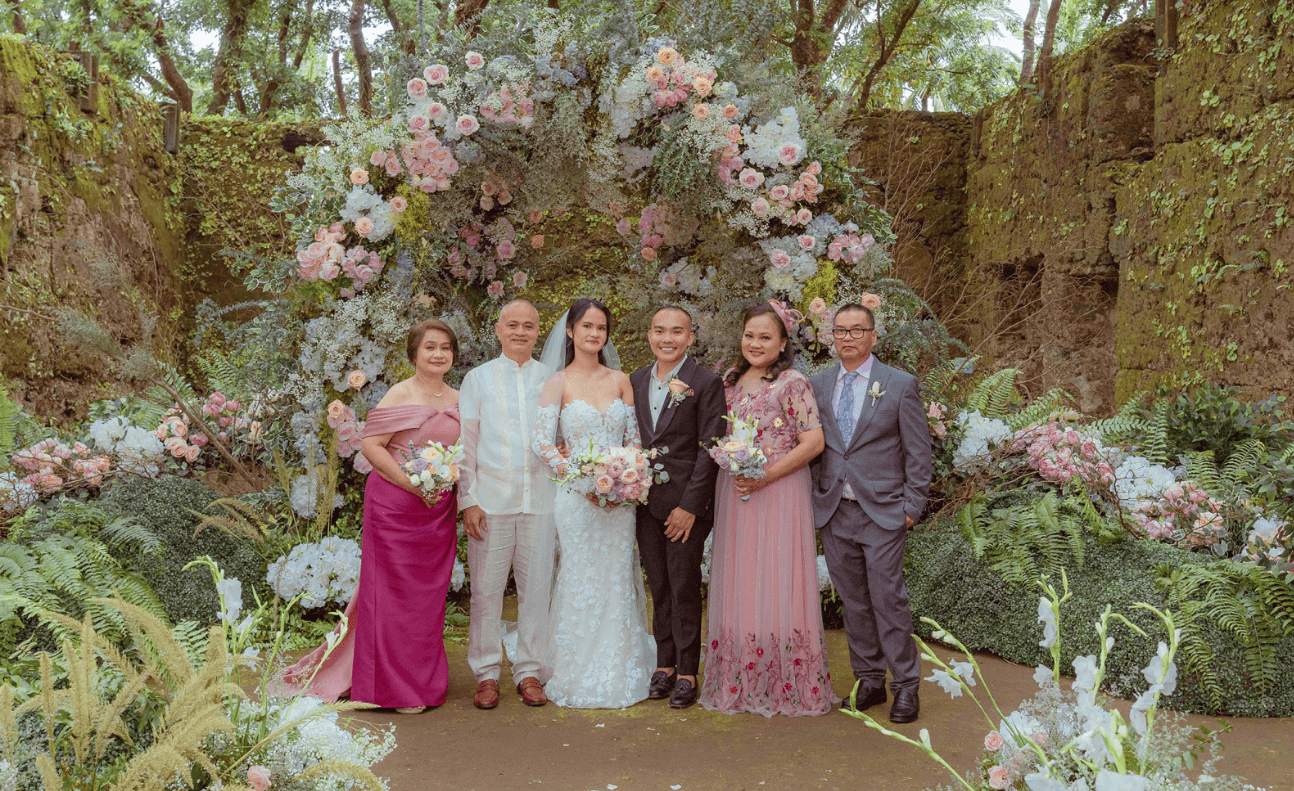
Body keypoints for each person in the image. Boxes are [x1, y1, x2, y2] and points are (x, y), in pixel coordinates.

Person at [280, 319, 462, 714]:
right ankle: (391, 689)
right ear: (414, 353)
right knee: (391, 597)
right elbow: (372, 447)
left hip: (437, 512)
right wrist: (413, 485)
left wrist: (445, 486)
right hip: (395, 507)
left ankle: (417, 681)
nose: (438, 354)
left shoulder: (460, 399)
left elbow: (464, 454)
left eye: (446, 347)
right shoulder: (400, 393)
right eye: (430, 346)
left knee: (425, 599)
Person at [699, 302, 833, 717]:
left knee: (777, 576)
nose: (755, 344)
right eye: (749, 335)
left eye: (765, 337)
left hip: (779, 492)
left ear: (782, 343)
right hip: (736, 493)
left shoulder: (793, 383)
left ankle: (786, 682)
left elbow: (814, 443)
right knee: (740, 578)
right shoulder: (729, 381)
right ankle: (741, 680)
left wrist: (766, 476)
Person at [807, 302, 932, 724]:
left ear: (874, 336)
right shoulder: (818, 385)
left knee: (888, 600)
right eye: (840, 330)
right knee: (854, 602)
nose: (848, 337)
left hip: (883, 512)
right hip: (834, 511)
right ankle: (869, 681)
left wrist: (911, 508)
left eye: (857, 330)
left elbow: (918, 452)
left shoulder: (898, 385)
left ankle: (906, 685)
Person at [531, 298, 655, 708]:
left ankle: (621, 664)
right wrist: (580, 478)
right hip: (576, 499)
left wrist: (627, 475)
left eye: (601, 328)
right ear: (570, 331)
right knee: (581, 577)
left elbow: (634, 440)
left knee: (617, 577)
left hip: (619, 501)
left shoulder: (620, 379)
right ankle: (574, 667)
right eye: (586, 326)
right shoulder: (557, 382)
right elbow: (542, 441)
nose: (594, 334)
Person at [458, 299, 557, 710]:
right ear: (497, 330)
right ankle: (485, 673)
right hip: (491, 503)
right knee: (485, 592)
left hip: (541, 501)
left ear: (538, 332)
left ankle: (529, 670)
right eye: (512, 325)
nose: (520, 332)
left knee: (536, 591)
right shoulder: (477, 379)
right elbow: (466, 444)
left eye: (528, 326)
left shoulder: (552, 379)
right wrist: (468, 500)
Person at [628, 306, 725, 709]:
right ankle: (663, 664)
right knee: (659, 583)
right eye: (659, 331)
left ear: (689, 337)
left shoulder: (705, 381)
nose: (667, 338)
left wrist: (691, 506)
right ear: (649, 334)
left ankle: (688, 670)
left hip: (685, 504)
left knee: (684, 584)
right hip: (644, 501)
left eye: (676, 332)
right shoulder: (633, 380)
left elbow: (710, 448)